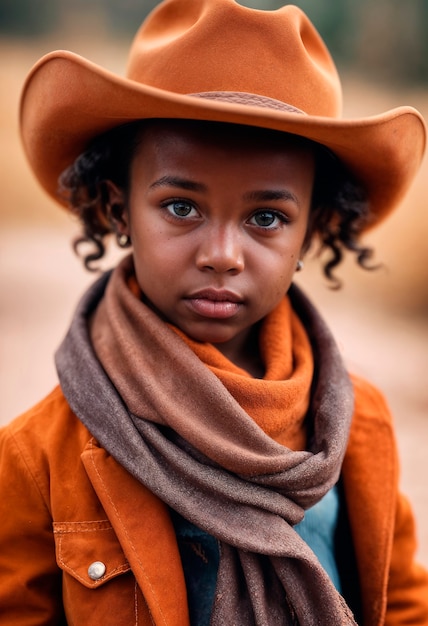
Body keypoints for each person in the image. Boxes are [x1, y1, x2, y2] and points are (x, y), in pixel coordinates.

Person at [1, 0, 427, 623]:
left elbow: (404, 603)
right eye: (181, 207)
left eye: (265, 218)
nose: (223, 255)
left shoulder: (358, 428)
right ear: (119, 209)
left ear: (310, 233)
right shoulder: (38, 457)